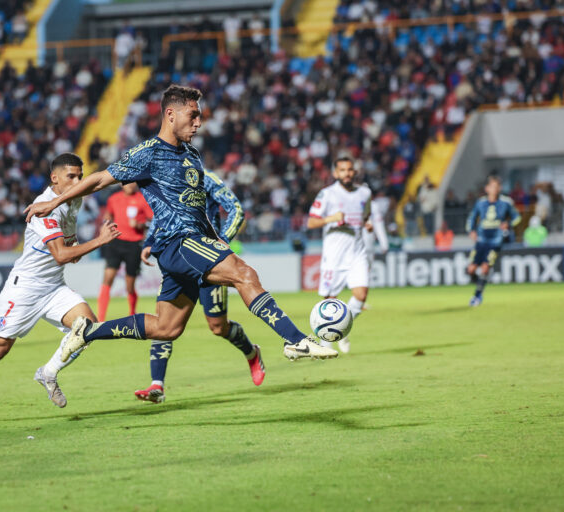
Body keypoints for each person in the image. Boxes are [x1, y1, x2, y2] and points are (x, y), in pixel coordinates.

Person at [25, 85, 336, 368]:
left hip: (192, 242)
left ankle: (88, 332)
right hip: (179, 241)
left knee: (166, 328)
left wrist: (216, 240)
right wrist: (54, 202)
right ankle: (296, 340)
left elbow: (197, 207)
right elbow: (100, 179)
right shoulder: (148, 153)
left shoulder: (192, 154)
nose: (199, 123)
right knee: (245, 274)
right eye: (193, 115)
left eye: (200, 116)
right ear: (170, 114)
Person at [0, 153, 120, 426]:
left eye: (79, 176)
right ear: (55, 178)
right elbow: (62, 255)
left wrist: (90, 241)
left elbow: (71, 255)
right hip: (24, 288)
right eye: (71, 176)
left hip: (53, 287)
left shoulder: (73, 201)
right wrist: (100, 240)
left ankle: (48, 372)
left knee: (87, 328)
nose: (77, 181)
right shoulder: (44, 207)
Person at [134, 169, 263, 403]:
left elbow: (236, 209)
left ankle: (251, 353)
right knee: (164, 321)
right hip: (178, 257)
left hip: (207, 260)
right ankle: (157, 385)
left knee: (217, 327)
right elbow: (162, 215)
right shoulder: (167, 177)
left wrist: (222, 239)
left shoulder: (206, 178)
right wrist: (150, 241)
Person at [306, 157, 373, 354]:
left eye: (350, 170)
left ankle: (341, 329)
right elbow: (311, 223)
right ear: (335, 174)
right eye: (342, 170)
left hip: (357, 252)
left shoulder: (364, 193)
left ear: (355, 172)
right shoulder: (327, 195)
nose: (347, 173)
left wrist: (366, 224)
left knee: (361, 295)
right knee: (330, 301)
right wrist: (331, 218)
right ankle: (326, 346)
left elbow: (365, 215)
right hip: (334, 256)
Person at [98, 183, 153, 322]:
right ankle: (100, 319)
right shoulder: (114, 198)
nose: (130, 185)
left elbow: (152, 220)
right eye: (127, 182)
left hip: (134, 245)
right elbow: (108, 214)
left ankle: (132, 313)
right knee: (107, 278)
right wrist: (106, 222)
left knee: (130, 285)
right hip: (115, 242)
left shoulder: (142, 199)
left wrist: (141, 225)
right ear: (122, 184)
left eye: (133, 182)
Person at [465, 175, 521, 307]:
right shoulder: (480, 203)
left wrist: (508, 224)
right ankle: (481, 283)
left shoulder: (506, 202)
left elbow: (517, 218)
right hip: (481, 240)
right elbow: (471, 218)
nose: (495, 189)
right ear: (487, 188)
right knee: (471, 269)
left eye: (497, 186)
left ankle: (477, 296)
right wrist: (471, 231)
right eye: (492, 186)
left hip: (495, 241)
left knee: (485, 268)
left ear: (500, 188)